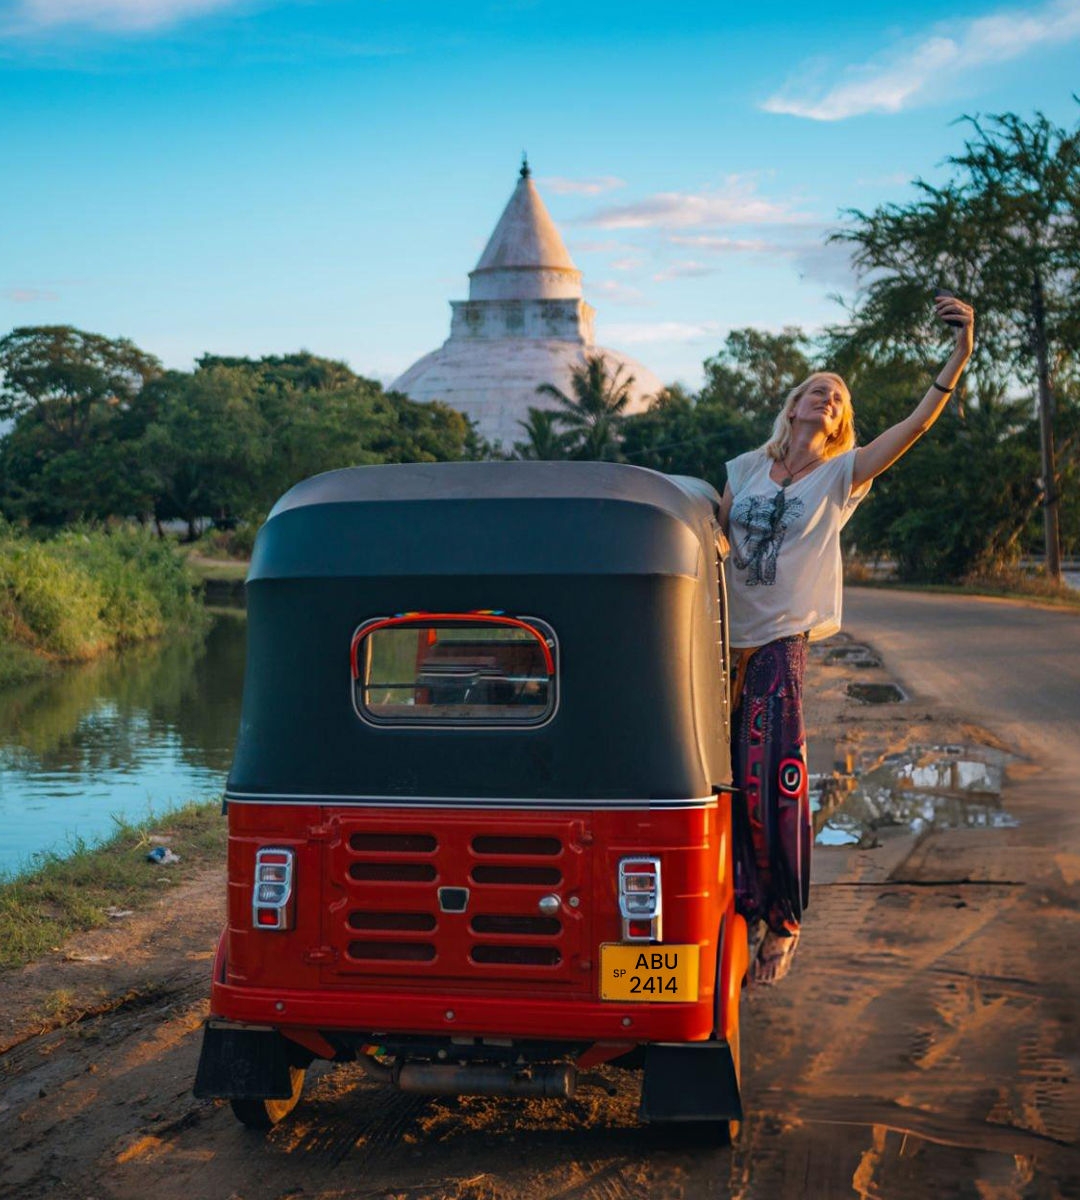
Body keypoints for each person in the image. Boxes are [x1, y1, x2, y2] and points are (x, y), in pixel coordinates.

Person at [719, 292, 975, 984]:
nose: (829, 399)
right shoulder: (744, 469)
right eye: (819, 391)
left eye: (839, 398)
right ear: (796, 404)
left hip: (779, 646)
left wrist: (960, 353)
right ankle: (740, 911)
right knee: (721, 789)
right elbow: (711, 534)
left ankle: (786, 920)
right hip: (722, 650)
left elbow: (914, 429)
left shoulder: (841, 474)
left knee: (773, 785)